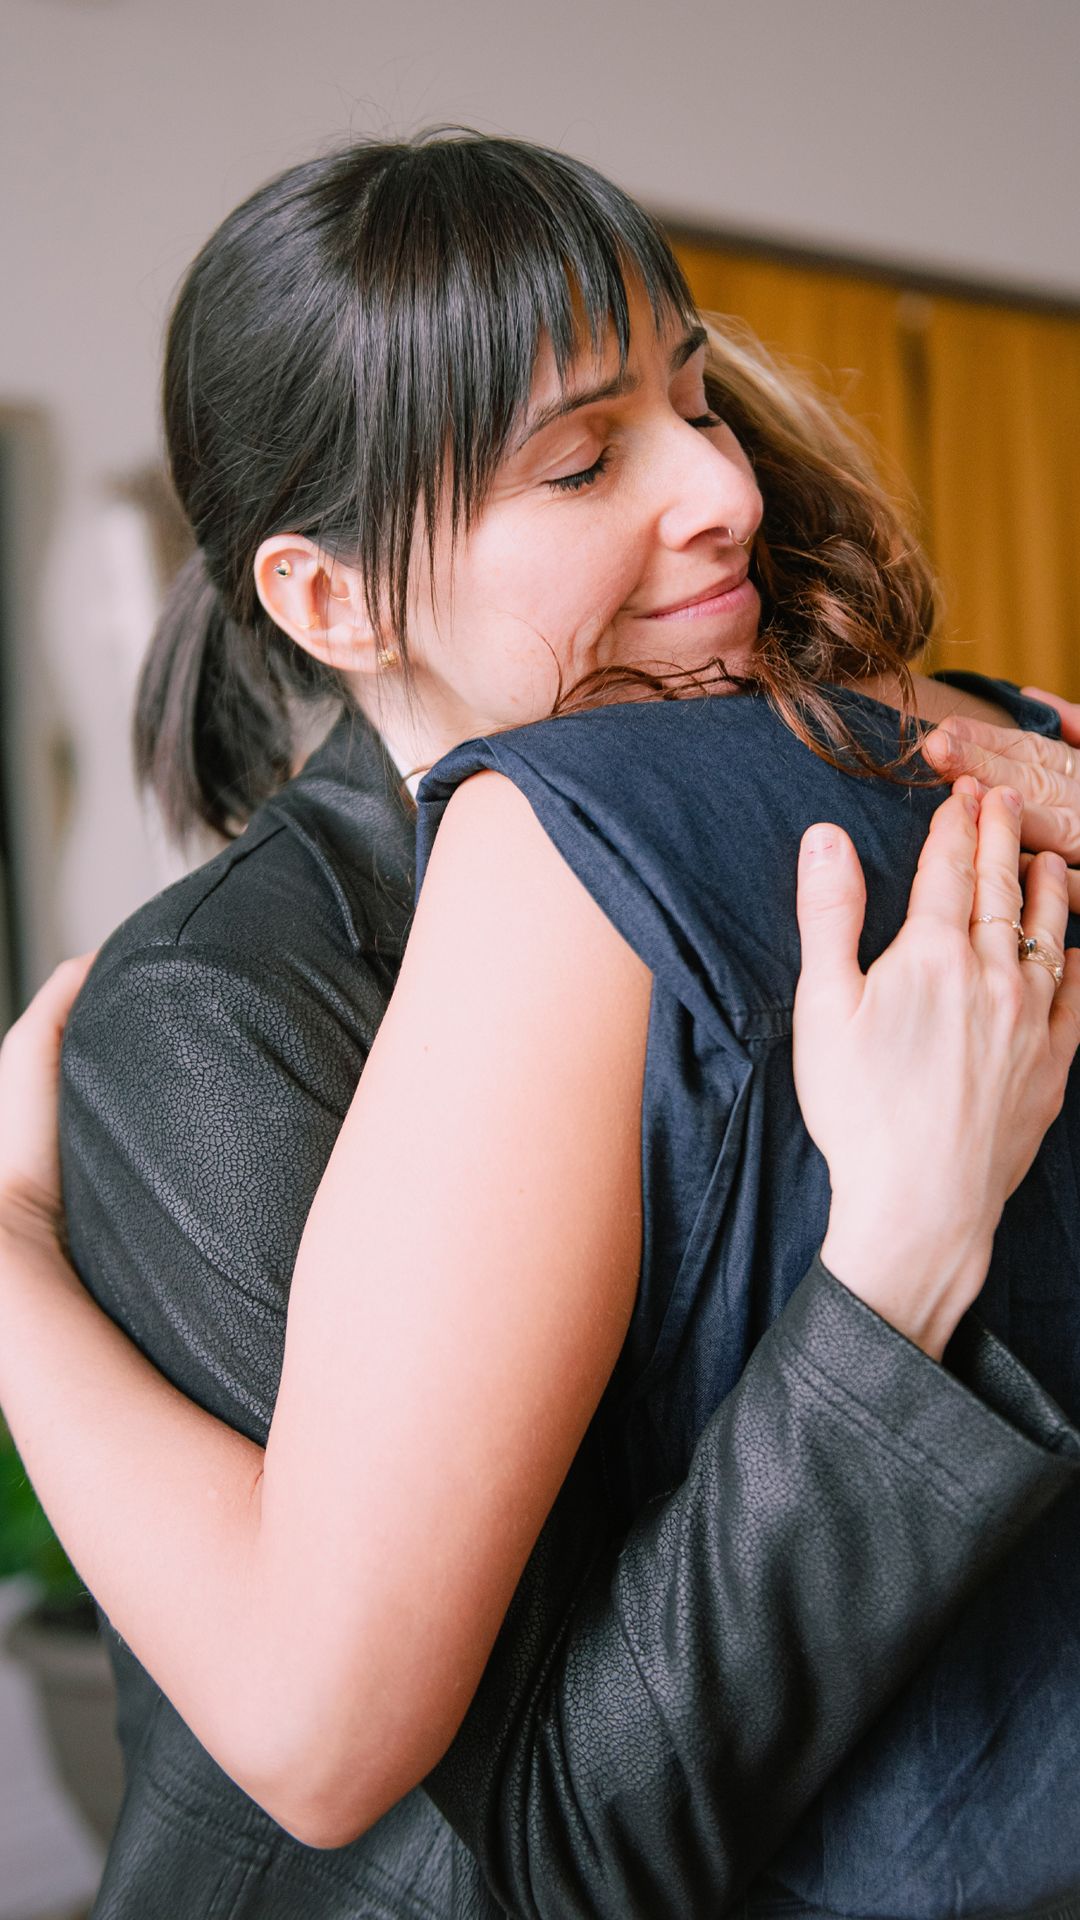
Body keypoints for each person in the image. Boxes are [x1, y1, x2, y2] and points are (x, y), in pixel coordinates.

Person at [3, 135, 1080, 1920]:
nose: (720, 490)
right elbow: (457, 1816)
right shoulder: (224, 1013)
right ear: (327, 599)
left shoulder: (867, 784)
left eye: (696, 401)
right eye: (582, 462)